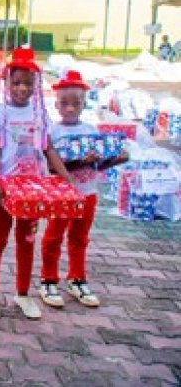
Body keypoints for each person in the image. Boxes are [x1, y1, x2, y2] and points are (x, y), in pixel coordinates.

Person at [0, 46, 74, 320]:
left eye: (28, 83)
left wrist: (66, 181)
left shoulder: (39, 114)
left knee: (27, 239)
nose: (22, 88)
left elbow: (49, 149)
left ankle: (22, 293)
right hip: (6, 188)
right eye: (16, 83)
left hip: (34, 189)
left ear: (36, 85)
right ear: (6, 82)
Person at [39, 69, 128, 309]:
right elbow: (52, 166)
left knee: (80, 237)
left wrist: (116, 159)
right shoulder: (52, 133)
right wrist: (81, 162)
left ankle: (77, 278)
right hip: (61, 195)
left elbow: (99, 164)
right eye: (64, 103)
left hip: (88, 192)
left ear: (84, 103)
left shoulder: (91, 131)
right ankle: (48, 279)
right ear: (56, 105)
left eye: (76, 103)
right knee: (54, 236)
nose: (70, 108)